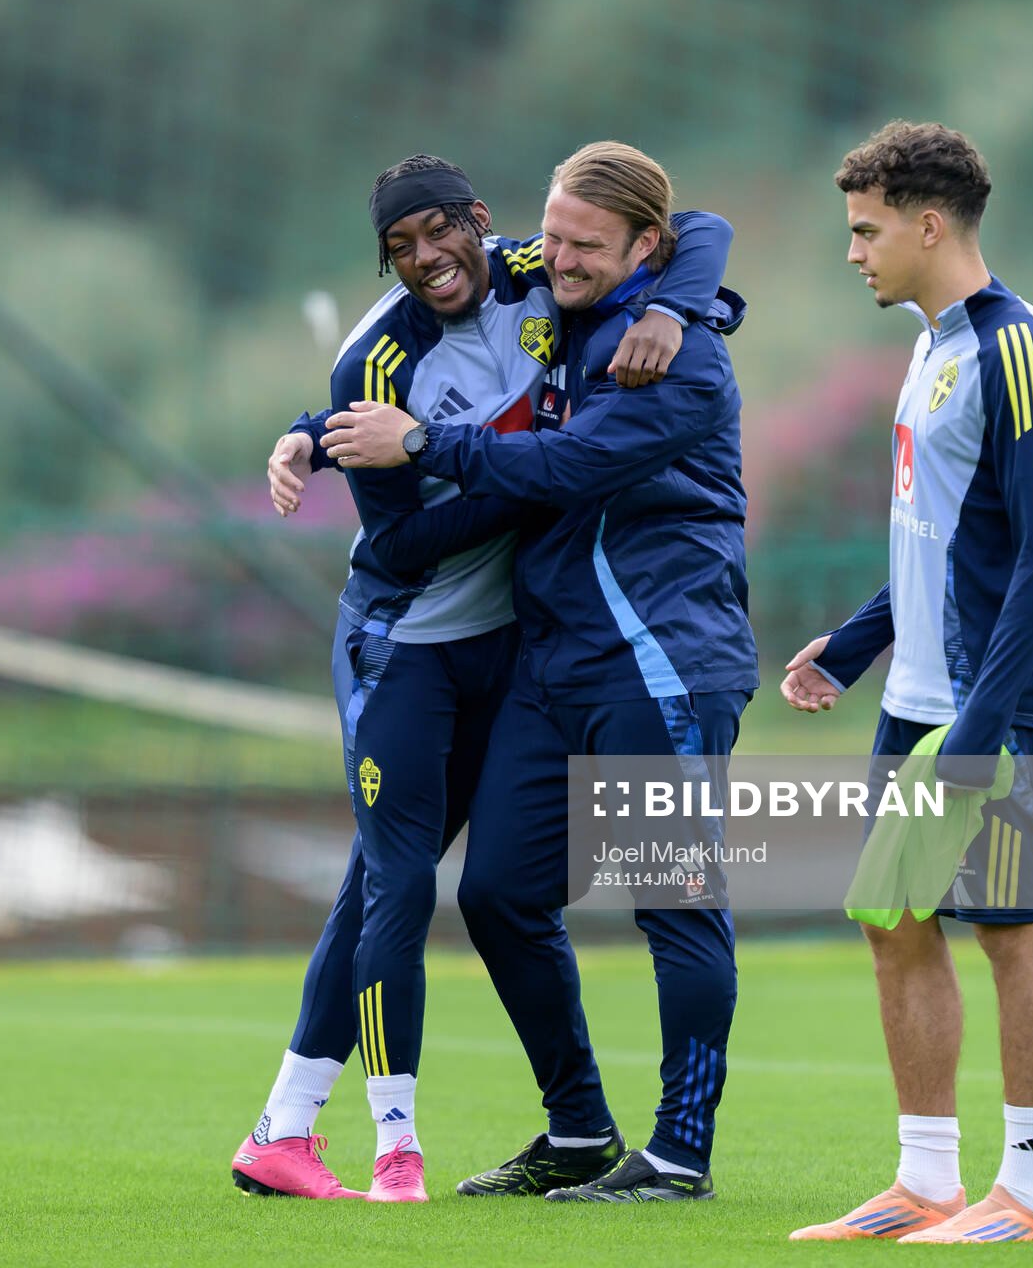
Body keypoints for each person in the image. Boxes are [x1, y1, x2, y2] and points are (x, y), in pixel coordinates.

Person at [234, 153, 733, 1202]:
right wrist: (316, 436)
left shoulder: (671, 355)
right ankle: (577, 1127)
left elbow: (561, 466)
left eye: (584, 246)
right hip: (523, 658)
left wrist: (424, 440)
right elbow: (404, 487)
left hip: (657, 661)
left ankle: (680, 1152)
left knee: (671, 899)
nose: (556, 262)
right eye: (552, 240)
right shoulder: (561, 297)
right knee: (489, 890)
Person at [782, 121, 1033, 1244]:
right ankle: (927, 1181)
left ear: (929, 223)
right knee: (896, 921)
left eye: (865, 230)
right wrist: (853, 644)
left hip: (1001, 705)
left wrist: (983, 720)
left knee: (1013, 928)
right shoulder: (930, 344)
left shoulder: (1017, 350)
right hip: (917, 694)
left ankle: (1030, 1193)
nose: (854, 251)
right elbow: (941, 536)